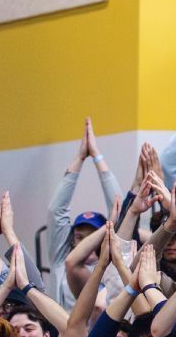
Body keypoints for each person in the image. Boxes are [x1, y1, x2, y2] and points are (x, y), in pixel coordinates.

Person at [46, 118, 122, 308]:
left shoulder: (113, 267)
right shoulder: (61, 261)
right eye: (80, 237)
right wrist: (79, 159)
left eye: (93, 236)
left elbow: (120, 209)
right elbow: (56, 211)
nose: (86, 243)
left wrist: (97, 157)